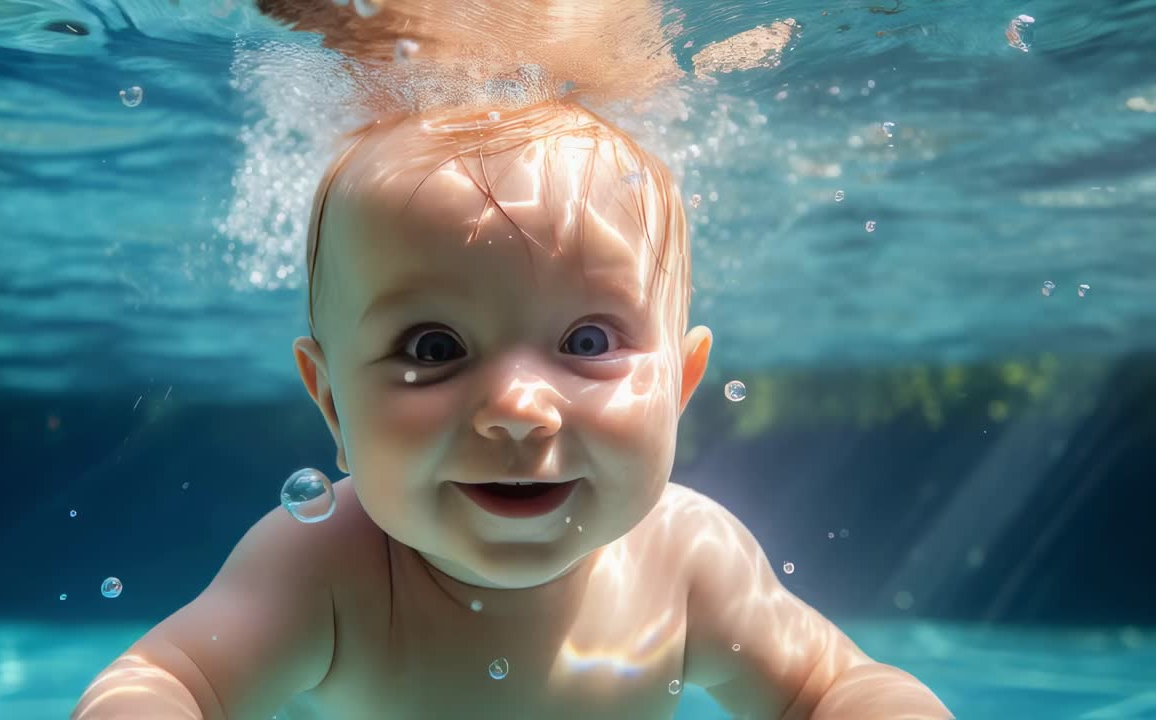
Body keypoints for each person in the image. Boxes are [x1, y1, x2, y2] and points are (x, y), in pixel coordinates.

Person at [72, 3, 954, 719]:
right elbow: (173, 683)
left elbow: (830, 687)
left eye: (590, 342)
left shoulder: (691, 559)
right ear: (332, 404)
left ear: (680, 389)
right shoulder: (325, 571)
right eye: (433, 349)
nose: (520, 408)